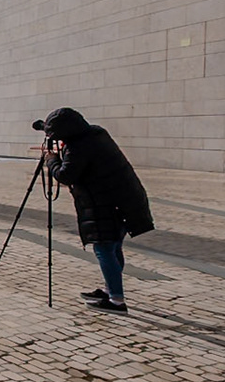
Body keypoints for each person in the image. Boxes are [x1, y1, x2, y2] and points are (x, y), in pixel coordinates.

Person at [42, 108, 153, 314]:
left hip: (107, 204)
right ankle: (110, 290)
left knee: (104, 248)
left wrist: (52, 160)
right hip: (123, 201)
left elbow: (66, 175)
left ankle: (116, 301)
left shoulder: (80, 146)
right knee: (113, 246)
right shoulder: (96, 134)